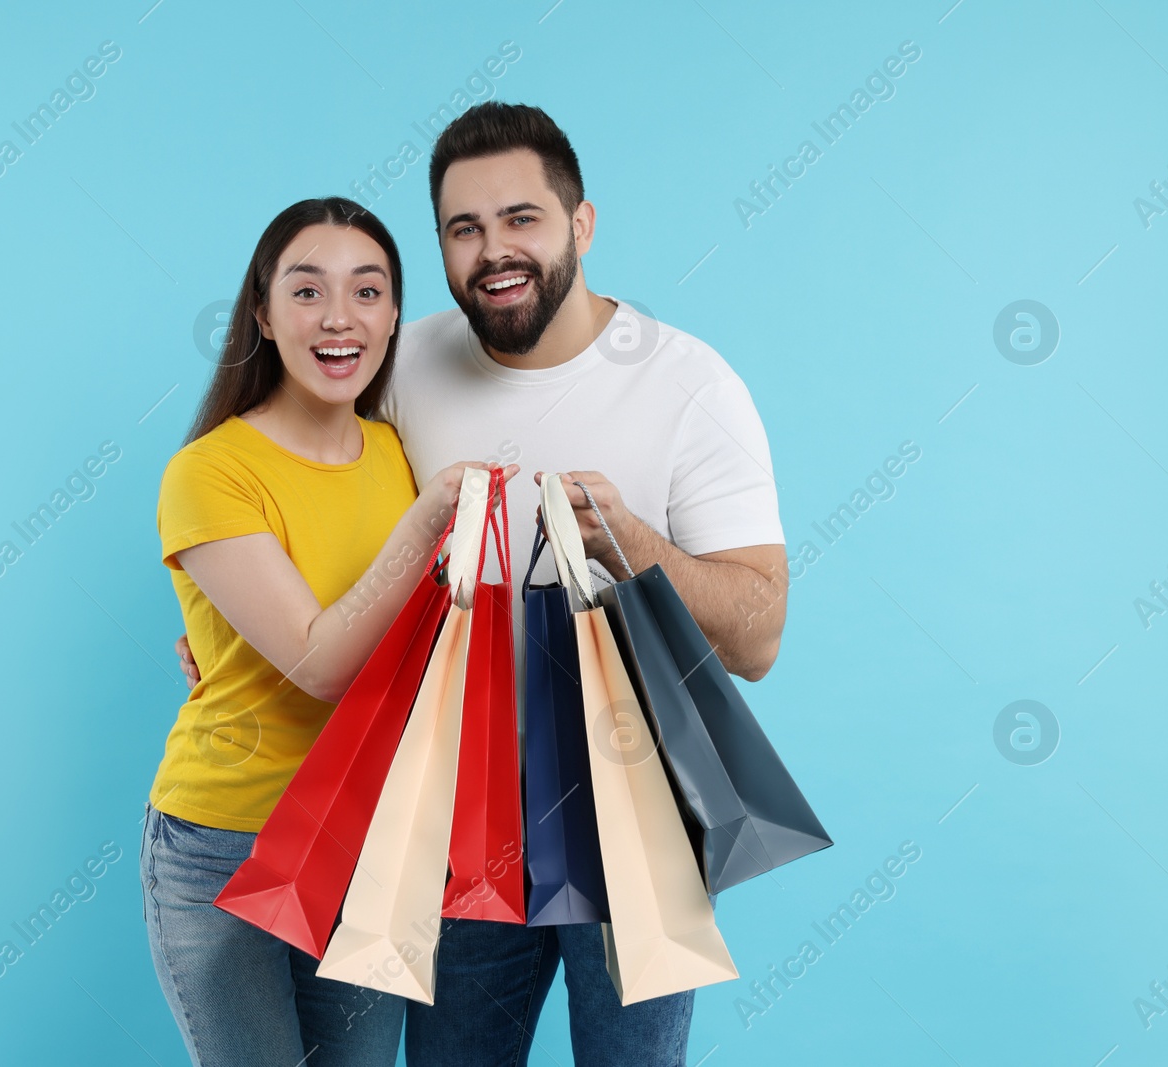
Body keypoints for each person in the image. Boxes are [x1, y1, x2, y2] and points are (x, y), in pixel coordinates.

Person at [176, 103, 789, 1067]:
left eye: (521, 219)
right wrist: (226, 635)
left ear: (581, 226)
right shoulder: (399, 357)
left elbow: (758, 636)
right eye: (464, 229)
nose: (493, 250)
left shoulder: (691, 386)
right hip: (451, 817)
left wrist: (631, 539)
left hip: (634, 816)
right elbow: (302, 474)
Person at [140, 195, 515, 1067]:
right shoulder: (209, 472)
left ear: (392, 318)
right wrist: (423, 525)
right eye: (307, 292)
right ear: (263, 315)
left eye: (368, 291)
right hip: (228, 848)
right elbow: (319, 664)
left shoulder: (396, 451)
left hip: (369, 844)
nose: (339, 317)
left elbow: (429, 632)